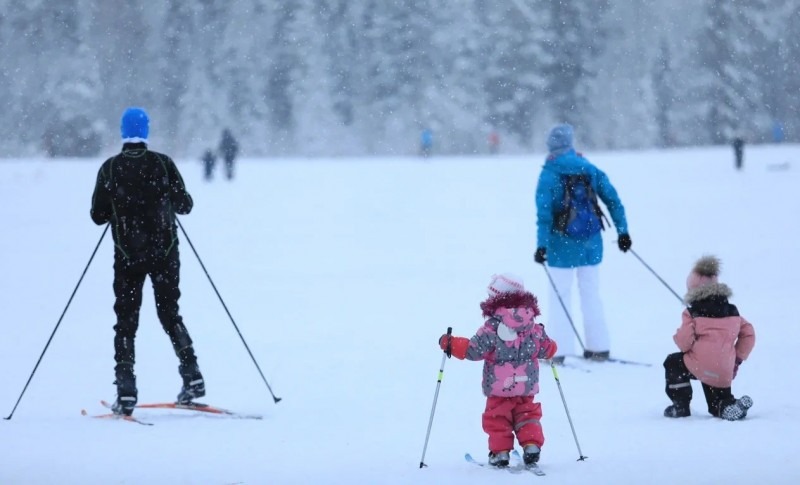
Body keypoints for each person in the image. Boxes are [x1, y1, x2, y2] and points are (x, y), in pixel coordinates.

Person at [90, 107, 206, 416]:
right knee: (170, 314)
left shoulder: (110, 169)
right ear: (147, 131)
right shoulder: (163, 164)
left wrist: (121, 204)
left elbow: (97, 216)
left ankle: (126, 388)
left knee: (126, 322)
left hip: (128, 257)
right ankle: (192, 376)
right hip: (165, 254)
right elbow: (186, 205)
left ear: (122, 131)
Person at [533, 123, 631, 363]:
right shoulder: (589, 168)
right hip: (591, 244)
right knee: (591, 294)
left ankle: (558, 350)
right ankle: (599, 347)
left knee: (560, 297)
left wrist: (541, 246)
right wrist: (623, 232)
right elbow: (613, 200)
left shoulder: (548, 174)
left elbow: (544, 214)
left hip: (560, 246)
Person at [438, 274, 557, 468]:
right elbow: (546, 348)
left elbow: (473, 350)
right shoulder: (533, 326)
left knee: (497, 418)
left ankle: (500, 452)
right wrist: (551, 346)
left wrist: (451, 344)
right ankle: (531, 444)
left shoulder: (492, 327)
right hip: (526, 385)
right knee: (527, 414)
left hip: (499, 386)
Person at [663, 255, 755, 420]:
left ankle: (680, 406)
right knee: (716, 403)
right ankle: (728, 406)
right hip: (724, 367)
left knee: (673, 362)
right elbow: (749, 333)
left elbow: (684, 344)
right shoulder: (733, 311)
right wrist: (737, 358)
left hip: (700, 364)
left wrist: (679, 334)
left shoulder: (692, 313)